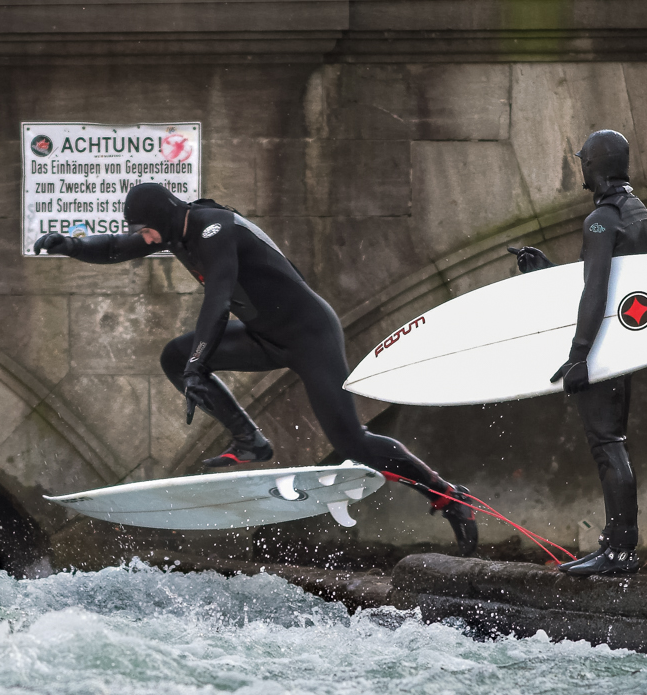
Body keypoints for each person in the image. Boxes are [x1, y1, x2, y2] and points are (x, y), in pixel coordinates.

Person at [34, 183, 479, 555]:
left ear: (165, 218)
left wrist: (198, 364)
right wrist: (70, 246)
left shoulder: (214, 229)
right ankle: (250, 440)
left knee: (351, 441)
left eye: (148, 231)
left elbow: (219, 299)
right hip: (265, 337)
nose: (146, 240)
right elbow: (114, 247)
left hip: (310, 337)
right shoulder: (174, 232)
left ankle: (448, 496)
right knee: (174, 355)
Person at [510, 129, 647, 576]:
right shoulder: (635, 211)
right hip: (624, 345)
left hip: (602, 350)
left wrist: (579, 356)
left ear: (596, 165)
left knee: (606, 444)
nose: (582, 168)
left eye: (584, 161)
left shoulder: (600, 220)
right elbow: (613, 286)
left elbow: (595, 292)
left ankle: (619, 551)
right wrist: (547, 271)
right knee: (615, 442)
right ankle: (617, 547)